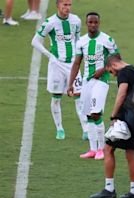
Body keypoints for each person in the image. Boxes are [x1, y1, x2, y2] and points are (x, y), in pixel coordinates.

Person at [68, 12, 119, 159]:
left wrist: (102, 70)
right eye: (90, 22)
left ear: (99, 23)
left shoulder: (107, 40)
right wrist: (70, 84)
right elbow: (77, 63)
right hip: (86, 82)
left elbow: (117, 58)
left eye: (95, 22)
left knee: (96, 113)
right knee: (88, 115)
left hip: (102, 81)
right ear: (86, 23)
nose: (93, 25)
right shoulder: (81, 42)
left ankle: (102, 149)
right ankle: (92, 149)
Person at [90, 55, 134, 198]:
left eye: (111, 72)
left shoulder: (124, 73)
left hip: (126, 117)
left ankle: (109, 189)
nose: (114, 75)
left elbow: (121, 94)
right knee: (130, 152)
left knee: (108, 149)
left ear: (113, 65)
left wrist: (114, 116)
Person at [31, 0, 83, 140]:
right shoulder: (50, 22)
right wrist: (50, 56)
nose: (67, 8)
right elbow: (35, 41)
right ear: (58, 5)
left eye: (69, 5)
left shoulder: (76, 21)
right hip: (56, 65)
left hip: (73, 65)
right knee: (56, 98)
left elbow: (77, 40)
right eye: (64, 5)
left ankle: (85, 130)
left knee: (79, 97)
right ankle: (59, 128)